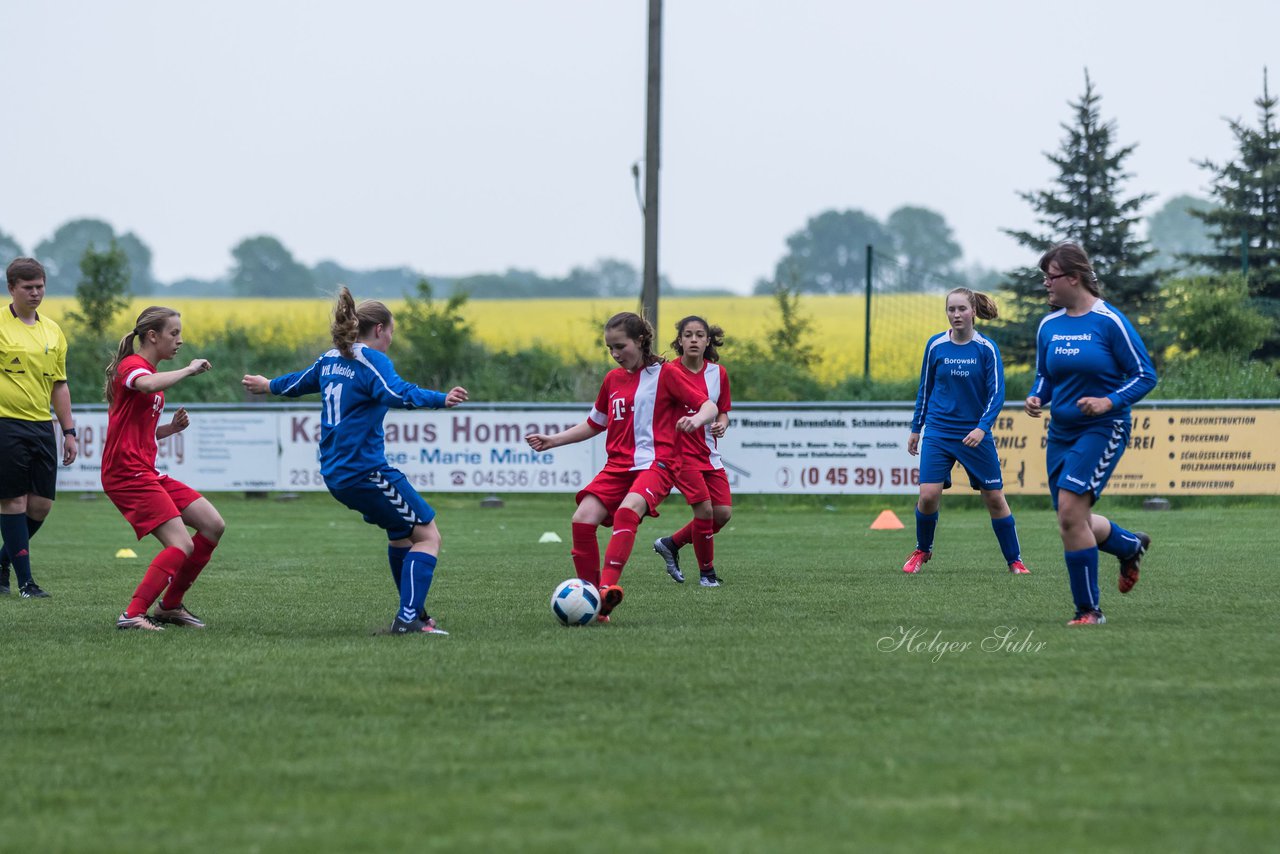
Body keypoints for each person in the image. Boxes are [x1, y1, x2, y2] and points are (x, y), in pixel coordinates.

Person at [242, 287, 467, 635]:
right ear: (378, 329)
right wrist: (442, 399)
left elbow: (299, 382)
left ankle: (416, 615)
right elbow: (396, 393)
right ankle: (408, 621)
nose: (391, 338)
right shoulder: (369, 360)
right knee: (428, 536)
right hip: (366, 471)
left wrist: (268, 385)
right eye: (391, 331)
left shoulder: (330, 359)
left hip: (337, 475)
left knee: (400, 535)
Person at [525, 312, 718, 622]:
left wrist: (696, 419)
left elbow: (709, 405)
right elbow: (594, 424)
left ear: (640, 341)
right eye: (609, 348)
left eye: (620, 346)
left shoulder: (666, 374)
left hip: (658, 464)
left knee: (628, 512)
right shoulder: (612, 379)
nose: (615, 354)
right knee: (581, 520)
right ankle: (595, 606)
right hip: (617, 466)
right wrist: (553, 440)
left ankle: (604, 588)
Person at [1024, 242, 1157, 626]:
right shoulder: (1049, 325)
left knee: (1070, 515)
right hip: (1061, 431)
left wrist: (1108, 403)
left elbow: (1145, 375)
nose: (1046, 285)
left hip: (1103, 427)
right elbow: (1045, 376)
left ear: (1074, 277)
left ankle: (1089, 611)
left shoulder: (1109, 321)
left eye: (1050, 277)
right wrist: (1037, 397)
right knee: (1073, 520)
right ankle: (1129, 545)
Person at [103, 306, 226, 630]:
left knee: (213, 524)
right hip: (125, 473)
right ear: (153, 336)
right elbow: (144, 384)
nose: (180, 340)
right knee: (181, 544)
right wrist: (188, 370)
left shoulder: (150, 374)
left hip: (144, 470)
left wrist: (168, 429)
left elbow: (137, 428)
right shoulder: (134, 367)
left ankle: (170, 606)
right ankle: (132, 614)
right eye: (174, 333)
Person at [902, 288, 1029, 576]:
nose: (956, 315)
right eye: (951, 309)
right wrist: (916, 429)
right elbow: (926, 389)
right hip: (938, 430)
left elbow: (997, 395)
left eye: (961, 309)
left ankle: (1015, 561)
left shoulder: (986, 348)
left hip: (974, 434)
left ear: (973, 312)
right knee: (928, 496)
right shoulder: (935, 345)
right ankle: (923, 549)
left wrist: (982, 428)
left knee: (995, 498)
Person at [0, 258, 77, 599]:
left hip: (41, 425)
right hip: (5, 424)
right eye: (27, 287)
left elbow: (59, 384)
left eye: (39, 286)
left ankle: (1, 561)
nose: (35, 293)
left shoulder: (53, 331)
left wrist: (69, 430)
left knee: (41, 505)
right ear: (11, 288)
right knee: (13, 501)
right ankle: (26, 583)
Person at [652, 315, 733, 587]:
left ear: (708, 341)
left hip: (709, 455)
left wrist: (721, 425)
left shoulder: (717, 374)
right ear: (680, 341)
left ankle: (670, 543)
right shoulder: (669, 373)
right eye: (688, 334)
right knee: (705, 512)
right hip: (680, 455)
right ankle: (707, 575)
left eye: (700, 335)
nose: (694, 339)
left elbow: (722, 412)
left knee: (722, 514)